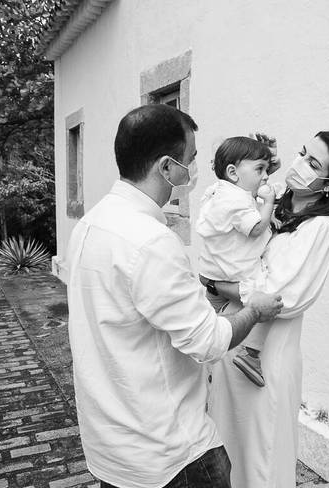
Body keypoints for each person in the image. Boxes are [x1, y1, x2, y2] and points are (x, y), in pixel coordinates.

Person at [66, 104, 284, 488]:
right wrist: (254, 310)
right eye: (191, 160)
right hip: (172, 456)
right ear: (167, 167)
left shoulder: (91, 224)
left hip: (112, 450)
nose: (194, 171)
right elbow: (208, 342)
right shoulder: (151, 241)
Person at [204, 131, 329, 487]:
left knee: (262, 461)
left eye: (313, 163)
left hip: (265, 361)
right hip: (231, 346)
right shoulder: (277, 201)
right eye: (302, 153)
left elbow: (282, 297)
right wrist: (266, 164)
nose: (300, 164)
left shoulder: (320, 227)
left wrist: (218, 285)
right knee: (227, 454)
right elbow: (231, 204)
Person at [195, 136, 278, 386]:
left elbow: (250, 186)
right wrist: (269, 203)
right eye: (260, 170)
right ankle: (250, 353)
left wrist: (264, 166)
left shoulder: (223, 192)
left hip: (215, 274)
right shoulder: (236, 202)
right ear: (233, 172)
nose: (266, 177)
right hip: (235, 274)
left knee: (207, 328)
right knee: (267, 298)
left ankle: (202, 370)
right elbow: (256, 228)